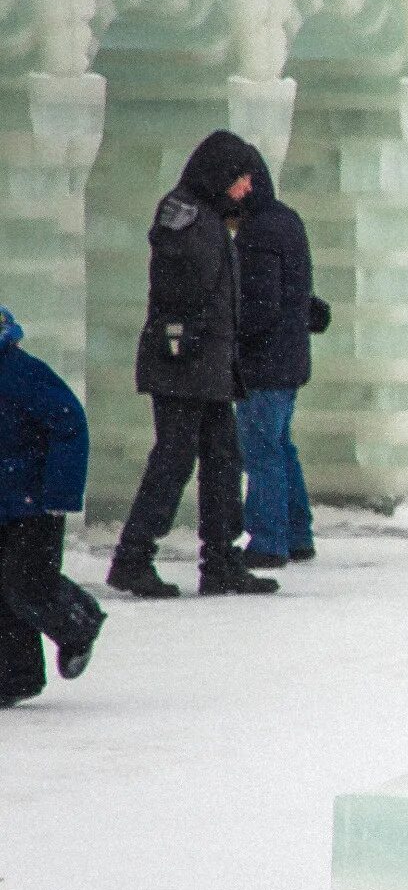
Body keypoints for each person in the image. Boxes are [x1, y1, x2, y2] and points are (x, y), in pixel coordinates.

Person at [109, 130, 278, 600]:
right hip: (184, 364)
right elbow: (177, 290)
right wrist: (186, 341)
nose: (248, 187)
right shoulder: (185, 215)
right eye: (242, 178)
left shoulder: (207, 216)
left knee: (223, 460)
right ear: (220, 175)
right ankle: (133, 558)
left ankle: (221, 561)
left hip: (207, 366)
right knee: (174, 460)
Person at [232, 147, 333, 568]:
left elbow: (259, 305)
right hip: (289, 357)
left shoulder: (257, 231)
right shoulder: (286, 220)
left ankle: (268, 541)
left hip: (264, 361)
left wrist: (231, 335)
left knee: (262, 452)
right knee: (279, 447)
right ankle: (295, 533)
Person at [0, 310, 105, 705]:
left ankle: (80, 622)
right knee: (5, 591)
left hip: (34, 504)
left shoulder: (20, 372)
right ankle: (15, 677)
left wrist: (60, 494)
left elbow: (70, 424)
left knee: (28, 582)